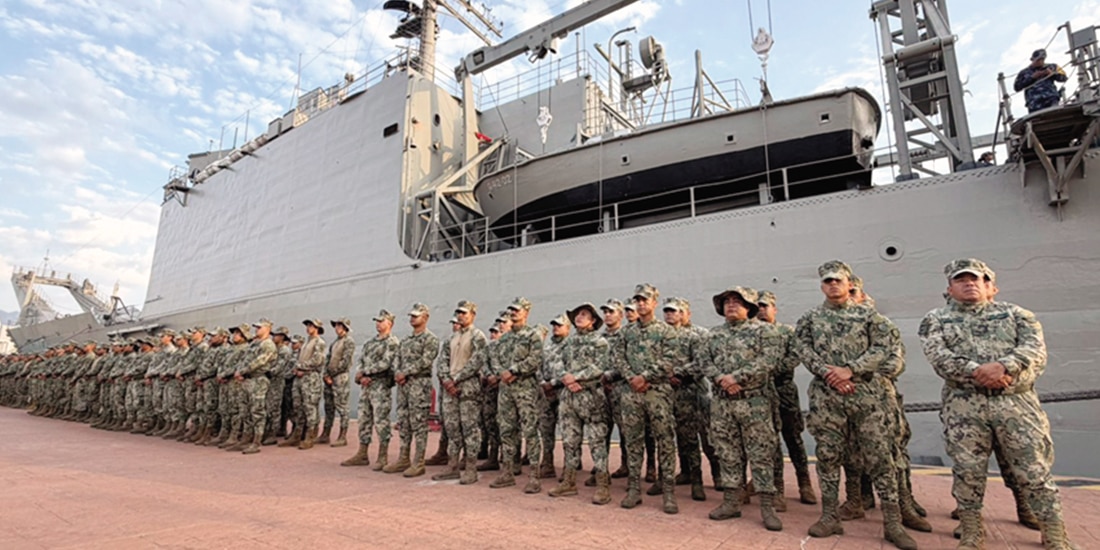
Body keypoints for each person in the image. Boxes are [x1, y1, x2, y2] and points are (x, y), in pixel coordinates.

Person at [919, 259, 1075, 550]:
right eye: (961, 279)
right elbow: (939, 357)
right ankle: (971, 531)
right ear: (949, 288)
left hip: (1017, 405)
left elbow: (1035, 352)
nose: (970, 283)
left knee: (1034, 468)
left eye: (978, 279)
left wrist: (1004, 366)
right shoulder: (935, 319)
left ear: (991, 287)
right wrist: (982, 373)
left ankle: (1053, 532)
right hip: (964, 408)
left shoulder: (1017, 314)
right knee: (967, 470)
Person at [797, 261, 916, 550]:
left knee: (879, 456)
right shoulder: (810, 318)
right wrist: (830, 374)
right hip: (827, 397)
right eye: (827, 281)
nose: (833, 285)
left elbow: (884, 347)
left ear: (850, 284)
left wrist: (850, 369)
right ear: (821, 286)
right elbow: (802, 347)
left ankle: (892, 523)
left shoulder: (870, 317)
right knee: (827, 456)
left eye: (838, 280)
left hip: (867, 396)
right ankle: (829, 515)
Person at [703, 286, 782, 531]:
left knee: (760, 453)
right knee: (727, 452)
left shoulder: (764, 332)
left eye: (738, 301)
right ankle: (731, 502)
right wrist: (721, 380)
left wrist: (736, 378)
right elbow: (704, 361)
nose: (731, 305)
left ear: (749, 307)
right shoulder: (713, 335)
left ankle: (767, 507)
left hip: (754, 402)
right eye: (727, 301)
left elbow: (769, 360)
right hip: (723, 403)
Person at [615, 283, 679, 514]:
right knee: (633, 441)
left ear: (654, 303)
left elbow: (670, 360)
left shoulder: (666, 331)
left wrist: (646, 377)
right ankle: (634, 489)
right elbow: (619, 358)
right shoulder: (626, 332)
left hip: (658, 393)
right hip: (631, 394)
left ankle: (669, 492)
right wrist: (632, 377)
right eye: (638, 300)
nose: (641, 304)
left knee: (665, 441)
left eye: (645, 300)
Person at [756, 291, 816, 507]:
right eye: (758, 306)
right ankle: (776, 488)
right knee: (768, 441)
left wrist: (772, 369)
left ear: (774, 308)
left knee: (793, 438)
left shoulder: (787, 332)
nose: (761, 310)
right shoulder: (752, 333)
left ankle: (804, 483)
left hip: (784, 390)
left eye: (765, 306)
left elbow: (795, 356)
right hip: (761, 392)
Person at [549, 302, 612, 504]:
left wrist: (574, 378)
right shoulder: (568, 342)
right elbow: (556, 362)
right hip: (569, 397)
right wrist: (565, 377)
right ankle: (568, 481)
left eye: (584, 314)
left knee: (596, 442)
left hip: (591, 396)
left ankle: (603, 485)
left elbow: (600, 367)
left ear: (593, 321)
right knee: (569, 440)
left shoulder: (600, 342)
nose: (579, 317)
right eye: (577, 314)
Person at [489, 297, 546, 494]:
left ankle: (534, 476)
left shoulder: (533, 336)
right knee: (506, 429)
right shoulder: (504, 339)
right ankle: (507, 472)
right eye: (511, 310)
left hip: (525, 389)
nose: (513, 313)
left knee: (530, 431)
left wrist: (513, 370)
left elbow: (535, 360)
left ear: (526, 313)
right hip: (506, 390)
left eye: (517, 310)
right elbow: (494, 359)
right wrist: (501, 372)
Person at [433, 301, 488, 484]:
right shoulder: (451, 338)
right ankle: (453, 466)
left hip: (468, 387)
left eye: (464, 313)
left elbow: (477, 361)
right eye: (458, 312)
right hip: (451, 388)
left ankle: (470, 468)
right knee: (451, 427)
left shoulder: (478, 336)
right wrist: (446, 379)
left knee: (470, 428)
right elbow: (442, 360)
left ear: (473, 315)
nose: (461, 316)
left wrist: (456, 379)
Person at [384, 303, 440, 477]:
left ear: (426, 318)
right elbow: (397, 359)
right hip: (404, 386)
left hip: (418, 385)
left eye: (416, 316)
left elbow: (426, 361)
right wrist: (397, 373)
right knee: (404, 422)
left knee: (419, 423)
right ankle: (403, 458)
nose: (412, 319)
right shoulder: (406, 341)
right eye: (411, 316)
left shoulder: (430, 339)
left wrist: (405, 372)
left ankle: (419, 461)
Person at [342, 310, 400, 470]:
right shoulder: (370, 343)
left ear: (390, 323)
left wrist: (366, 372)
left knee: (381, 421)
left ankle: (383, 455)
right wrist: (360, 376)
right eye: (377, 321)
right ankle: (362, 453)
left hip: (380, 386)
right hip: (366, 386)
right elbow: (360, 361)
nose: (378, 324)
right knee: (364, 419)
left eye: (381, 321)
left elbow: (386, 363)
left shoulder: (392, 342)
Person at [663, 298, 707, 502]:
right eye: (667, 311)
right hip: (665, 393)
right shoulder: (660, 336)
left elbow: (701, 363)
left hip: (688, 392)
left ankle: (697, 480)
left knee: (690, 437)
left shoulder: (694, 336)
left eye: (674, 311)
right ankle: (680, 473)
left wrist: (678, 373)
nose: (669, 314)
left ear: (683, 313)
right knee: (667, 436)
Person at [282, 319, 326, 450]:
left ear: (317, 327)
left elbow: (317, 360)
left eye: (311, 325)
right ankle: (297, 434)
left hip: (310, 378)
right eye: (307, 325)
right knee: (298, 407)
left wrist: (301, 367)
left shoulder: (319, 342)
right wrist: (297, 368)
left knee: (310, 407)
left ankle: (310, 436)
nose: (308, 328)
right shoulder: (306, 342)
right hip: (299, 378)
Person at [236, 319, 278, 455]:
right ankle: (246, 438)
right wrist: (240, 371)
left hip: (259, 380)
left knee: (257, 411)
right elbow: (244, 359)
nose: (256, 329)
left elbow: (260, 361)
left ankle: (256, 441)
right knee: (245, 410)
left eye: (259, 327)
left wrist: (243, 371)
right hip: (247, 380)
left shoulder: (269, 345)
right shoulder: (254, 343)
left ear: (267, 328)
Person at [538, 312, 570, 481]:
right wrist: (544, 382)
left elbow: (571, 369)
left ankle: (569, 467)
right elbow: (540, 366)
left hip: (563, 392)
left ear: (568, 328)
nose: (556, 328)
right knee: (546, 429)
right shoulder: (548, 346)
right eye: (554, 325)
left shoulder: (570, 345)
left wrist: (555, 383)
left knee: (567, 431)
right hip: (547, 393)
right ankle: (548, 463)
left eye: (559, 325)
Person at [321, 318, 355, 447]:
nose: (337, 328)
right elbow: (328, 359)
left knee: (342, 408)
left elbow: (345, 362)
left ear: (345, 327)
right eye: (336, 326)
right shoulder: (335, 342)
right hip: (330, 378)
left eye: (339, 326)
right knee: (329, 407)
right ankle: (325, 434)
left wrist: (332, 374)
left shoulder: (349, 342)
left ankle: (342, 436)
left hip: (340, 378)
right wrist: (326, 374)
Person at [1014, 48, 1067, 113]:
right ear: (1032, 59)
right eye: (1038, 60)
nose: (1040, 62)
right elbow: (1017, 87)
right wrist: (1032, 78)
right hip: (1034, 103)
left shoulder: (1052, 66)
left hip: (1051, 98)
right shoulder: (1024, 72)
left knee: (1054, 114)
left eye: (1042, 59)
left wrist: (1052, 74)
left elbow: (1064, 78)